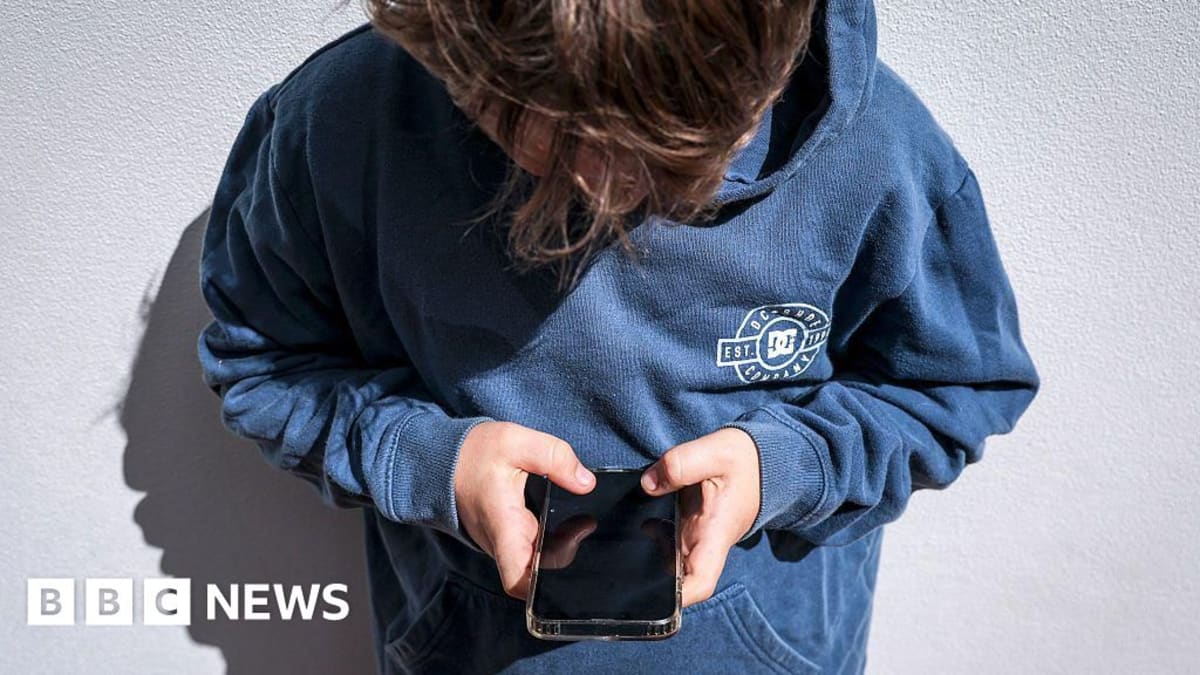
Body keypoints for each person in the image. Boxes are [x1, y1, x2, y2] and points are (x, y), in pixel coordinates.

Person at [196, 0, 1040, 672]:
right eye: (556, 148)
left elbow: (952, 389)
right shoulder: (340, 127)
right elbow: (262, 361)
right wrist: (430, 462)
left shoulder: (880, 157)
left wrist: (780, 466)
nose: (609, 191)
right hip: (462, 647)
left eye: (674, 164)